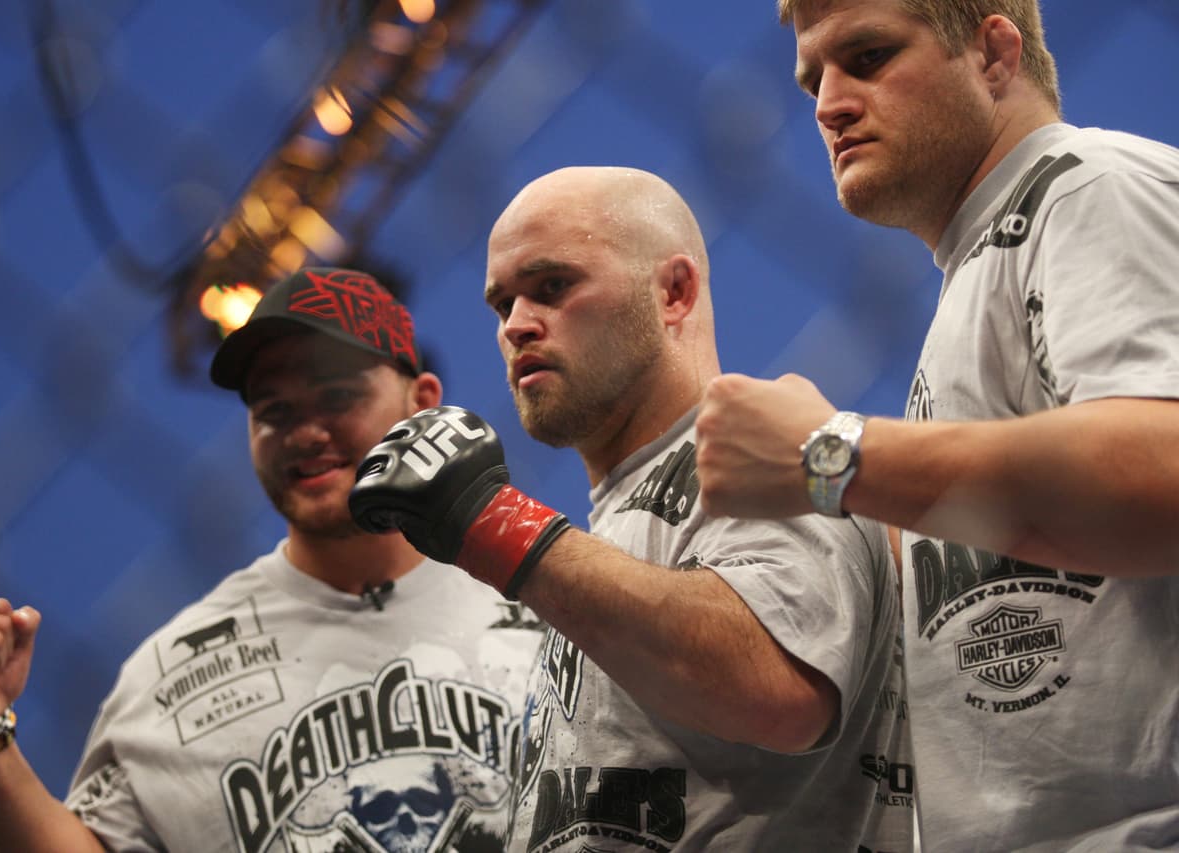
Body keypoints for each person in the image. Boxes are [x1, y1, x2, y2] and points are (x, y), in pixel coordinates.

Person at [692, 2, 1179, 849]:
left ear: (995, 54)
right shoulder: (981, 271)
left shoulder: (1090, 186)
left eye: (869, 56)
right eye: (813, 80)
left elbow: (1156, 472)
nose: (828, 102)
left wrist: (826, 455)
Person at [348, 166, 913, 851]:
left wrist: (494, 524)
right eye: (503, 306)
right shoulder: (614, 534)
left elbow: (781, 685)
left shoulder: (767, 446)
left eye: (554, 287)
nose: (519, 326)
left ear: (673, 292)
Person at [0, 266, 544, 852]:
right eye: (275, 411)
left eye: (337, 396)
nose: (305, 433)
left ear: (421, 400)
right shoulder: (177, 675)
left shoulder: (542, 594)